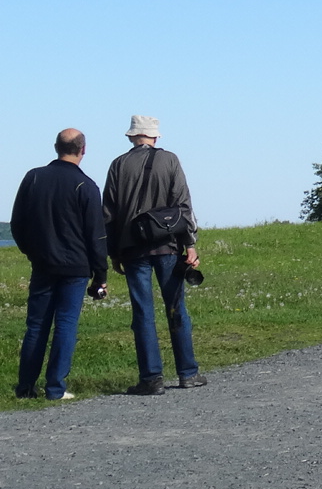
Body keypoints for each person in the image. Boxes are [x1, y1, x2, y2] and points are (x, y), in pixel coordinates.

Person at [102, 115, 205, 394]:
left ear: (131, 136)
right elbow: (183, 205)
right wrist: (190, 244)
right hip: (167, 246)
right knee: (176, 307)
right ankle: (187, 373)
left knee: (143, 313)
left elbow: (108, 214)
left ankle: (151, 378)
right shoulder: (170, 160)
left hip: (133, 249)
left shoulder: (118, 165)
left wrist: (114, 253)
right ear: (155, 136)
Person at [11, 129, 109, 401]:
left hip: (43, 263)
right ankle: (55, 387)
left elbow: (17, 223)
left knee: (36, 325)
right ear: (83, 150)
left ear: (56, 147)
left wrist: (31, 252)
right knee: (65, 324)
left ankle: (25, 387)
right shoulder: (86, 186)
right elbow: (96, 235)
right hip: (75, 267)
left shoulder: (33, 177)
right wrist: (100, 274)